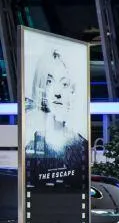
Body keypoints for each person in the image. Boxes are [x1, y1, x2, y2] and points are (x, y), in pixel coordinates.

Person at [23, 44, 90, 186]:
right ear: (41, 88)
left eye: (64, 84)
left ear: (72, 91)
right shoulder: (31, 146)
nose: (57, 93)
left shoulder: (81, 145)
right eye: (49, 82)